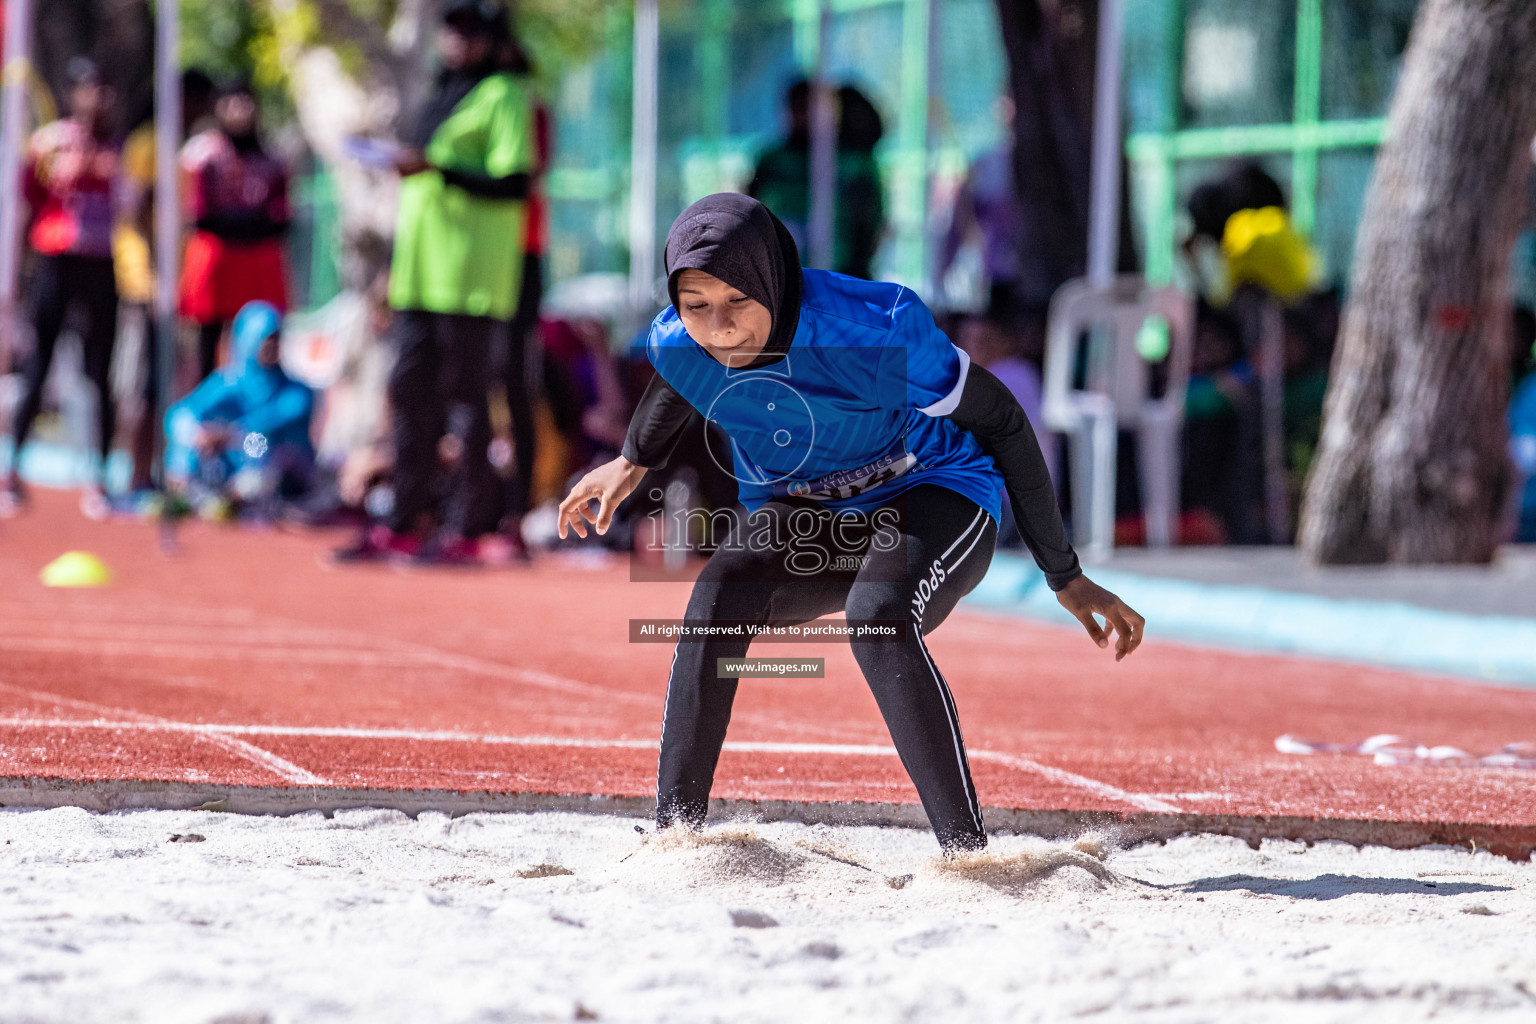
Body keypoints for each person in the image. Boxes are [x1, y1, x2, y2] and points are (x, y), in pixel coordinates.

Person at [557, 194, 1144, 853]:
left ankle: (966, 854)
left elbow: (1003, 418)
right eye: (698, 307)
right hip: (810, 515)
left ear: (773, 283)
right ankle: (675, 838)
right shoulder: (679, 339)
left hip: (935, 489)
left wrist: (1063, 574)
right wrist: (630, 462)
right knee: (715, 598)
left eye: (737, 304)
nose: (720, 329)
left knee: (878, 616)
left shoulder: (874, 329)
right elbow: (679, 374)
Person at [332, 0, 536, 565]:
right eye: (450, 28)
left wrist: (438, 169)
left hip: (470, 278)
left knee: (467, 402)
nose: (455, 40)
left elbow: (515, 182)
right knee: (408, 392)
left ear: (491, 39)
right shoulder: (440, 95)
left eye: (469, 30)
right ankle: (406, 519)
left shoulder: (505, 95)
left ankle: (467, 528)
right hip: (419, 276)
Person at [2, 57, 122, 519]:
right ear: (76, 93)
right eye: (94, 88)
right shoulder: (49, 143)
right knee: (38, 367)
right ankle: (12, 472)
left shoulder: (119, 149)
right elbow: (27, 202)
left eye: (108, 89)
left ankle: (102, 479)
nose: (102, 99)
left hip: (101, 264)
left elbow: (131, 204)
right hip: (56, 262)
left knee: (100, 373)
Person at [178, 78, 291, 382]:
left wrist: (245, 224)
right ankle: (206, 409)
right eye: (232, 102)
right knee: (209, 338)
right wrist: (245, 223)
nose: (240, 111)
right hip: (219, 259)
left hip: (257, 261)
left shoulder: (273, 157)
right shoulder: (203, 155)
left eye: (246, 101)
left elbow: (280, 218)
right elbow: (201, 215)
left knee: (261, 337)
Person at [163, 300, 314, 513]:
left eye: (276, 339)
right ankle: (189, 496)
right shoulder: (229, 382)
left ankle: (243, 496)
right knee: (188, 443)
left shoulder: (296, 391)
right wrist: (198, 436)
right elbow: (179, 415)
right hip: (230, 467)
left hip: (279, 478)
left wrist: (228, 435)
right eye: (265, 339)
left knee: (257, 444)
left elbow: (268, 425)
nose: (271, 346)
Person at [747, 80, 886, 279]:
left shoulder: (854, 164)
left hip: (841, 272)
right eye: (799, 109)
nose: (805, 117)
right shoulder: (772, 161)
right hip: (785, 275)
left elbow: (869, 226)